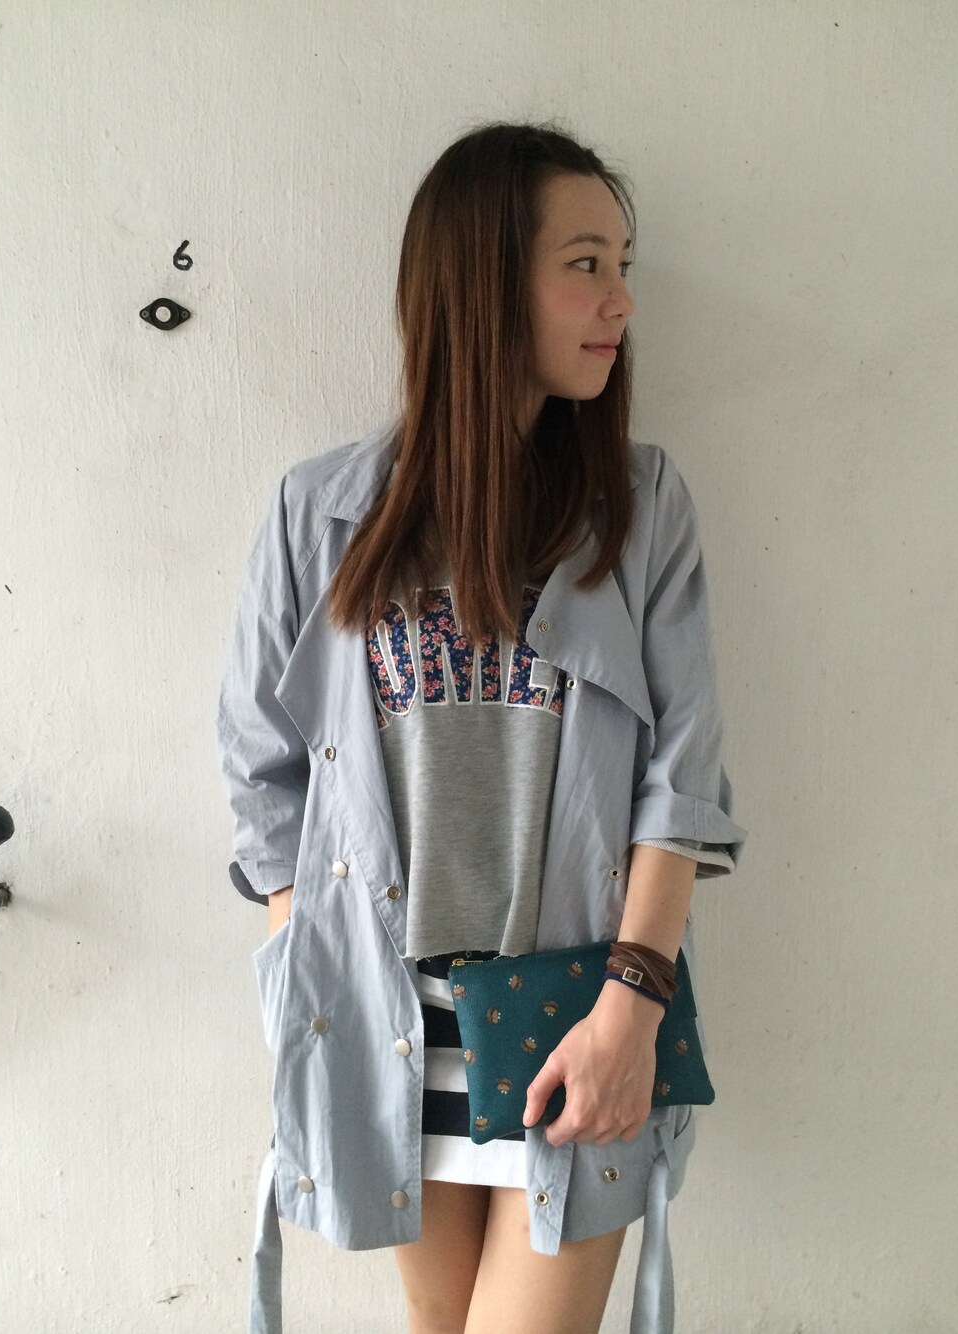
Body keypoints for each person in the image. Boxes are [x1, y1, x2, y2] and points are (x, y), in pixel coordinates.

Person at [216, 120, 746, 1334]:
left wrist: (631, 1006)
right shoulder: (322, 512)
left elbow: (682, 780)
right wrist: (310, 968)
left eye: (622, 266)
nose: (620, 300)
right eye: (585, 264)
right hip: (387, 1033)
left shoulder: (637, 509)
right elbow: (262, 772)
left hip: (574, 1025)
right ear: (482, 281)